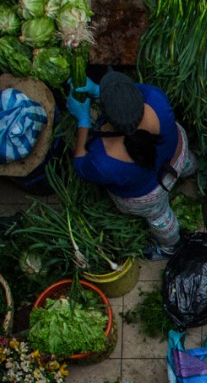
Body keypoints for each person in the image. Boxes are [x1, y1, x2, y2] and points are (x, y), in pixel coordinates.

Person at [67, 71, 196, 258]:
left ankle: (169, 247)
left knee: (160, 218)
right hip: (178, 156)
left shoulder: (102, 160)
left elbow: (80, 163)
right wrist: (99, 91)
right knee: (187, 163)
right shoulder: (155, 98)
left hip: (149, 196)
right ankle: (192, 170)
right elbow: (136, 93)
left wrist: (83, 120)